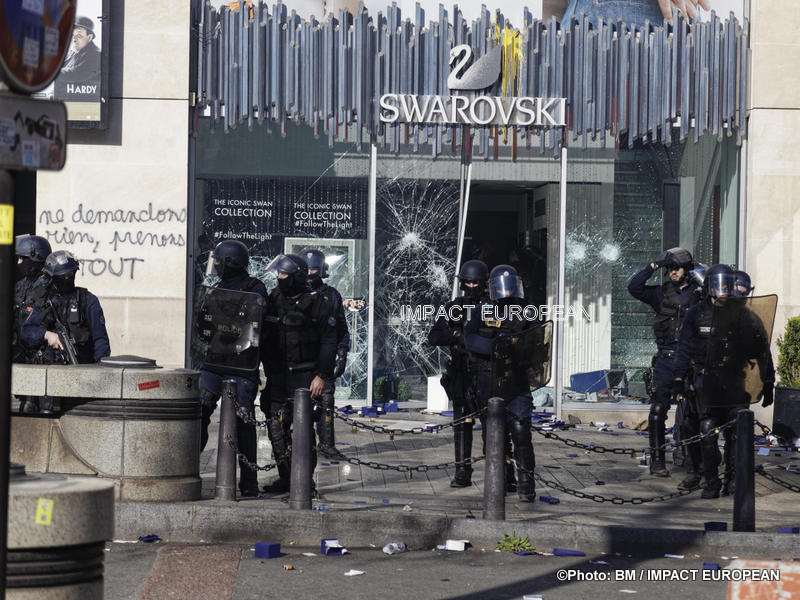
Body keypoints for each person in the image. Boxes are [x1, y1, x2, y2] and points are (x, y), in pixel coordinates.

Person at [672, 264, 774, 498]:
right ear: (709, 287)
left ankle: (733, 480)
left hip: (735, 382)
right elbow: (684, 349)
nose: (724, 291)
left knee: (737, 430)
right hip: (705, 382)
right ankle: (710, 482)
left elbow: (762, 351)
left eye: (728, 285)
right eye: (719, 285)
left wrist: (767, 382)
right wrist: (678, 379)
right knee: (706, 429)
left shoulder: (744, 315)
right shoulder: (695, 314)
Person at [260, 254, 337, 494]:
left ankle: (304, 483)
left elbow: (329, 340)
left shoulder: (319, 300)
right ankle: (286, 478)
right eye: (278, 274)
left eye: (283, 274)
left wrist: (321, 375)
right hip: (278, 375)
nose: (279, 278)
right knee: (276, 427)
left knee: (303, 431)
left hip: (305, 375)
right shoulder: (274, 297)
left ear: (296, 276)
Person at [197, 240, 267, 498]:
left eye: (218, 260)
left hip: (241, 365)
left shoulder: (255, 289)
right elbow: (202, 323)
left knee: (243, 422)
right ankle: (191, 470)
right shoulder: (215, 289)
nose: (215, 265)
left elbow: (256, 327)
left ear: (229, 262)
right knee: (200, 412)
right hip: (214, 363)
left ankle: (249, 483)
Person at [464, 264, 539, 502]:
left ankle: (527, 485)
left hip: (517, 379)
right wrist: (495, 348)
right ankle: (503, 481)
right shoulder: (483, 309)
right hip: (489, 379)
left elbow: (540, 339)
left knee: (520, 431)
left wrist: (520, 349)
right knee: (493, 435)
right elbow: (470, 338)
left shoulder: (527, 310)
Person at [627, 247, 700, 477]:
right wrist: (654, 265)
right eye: (669, 269)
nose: (672, 272)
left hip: (690, 361)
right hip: (667, 359)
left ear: (687, 269)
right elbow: (634, 287)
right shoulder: (661, 293)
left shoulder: (700, 293)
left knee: (692, 412)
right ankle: (657, 460)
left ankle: (690, 457)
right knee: (658, 410)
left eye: (676, 268)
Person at [428, 259, 489, 487]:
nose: (472, 286)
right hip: (462, 372)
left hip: (485, 371)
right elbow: (434, 337)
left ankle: (501, 474)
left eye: (476, 282)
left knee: (491, 425)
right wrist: (457, 336)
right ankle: (462, 472)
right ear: (462, 283)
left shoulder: (492, 307)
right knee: (462, 425)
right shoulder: (453, 307)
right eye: (468, 282)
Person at [300, 248, 351, 455]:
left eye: (314, 269)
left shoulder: (331, 295)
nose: (311, 273)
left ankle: (327, 444)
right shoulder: (292, 292)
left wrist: (342, 352)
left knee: (326, 401)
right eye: (307, 269)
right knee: (298, 403)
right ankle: (298, 445)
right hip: (300, 358)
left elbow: (342, 329)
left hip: (324, 357)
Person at [22, 250, 110, 366]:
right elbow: (26, 331)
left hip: (84, 367)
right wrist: (47, 335)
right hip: (50, 368)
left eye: (70, 275)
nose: (67, 279)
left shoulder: (88, 300)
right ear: (52, 278)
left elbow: (100, 340)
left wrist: (100, 369)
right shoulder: (43, 300)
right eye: (62, 276)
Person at [13, 235, 52, 364]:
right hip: (19, 352)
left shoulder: (51, 288)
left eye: (22, 258)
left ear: (36, 259)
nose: (18, 263)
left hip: (41, 356)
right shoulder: (20, 286)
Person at [57, 16, 101, 84]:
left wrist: (51, 72)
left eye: (79, 36)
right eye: (72, 35)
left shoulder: (96, 55)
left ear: (89, 37)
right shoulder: (73, 52)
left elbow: (75, 74)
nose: (74, 39)